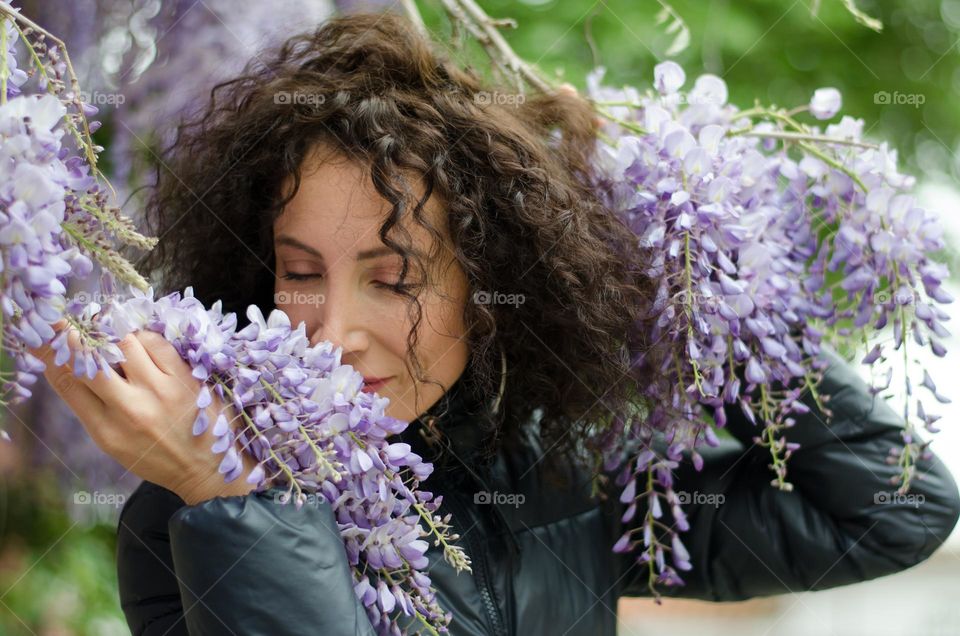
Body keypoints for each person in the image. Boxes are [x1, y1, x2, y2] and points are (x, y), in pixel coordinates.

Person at [33, 12, 960, 636]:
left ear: (499, 285)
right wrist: (232, 495)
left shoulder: (563, 474)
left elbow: (892, 506)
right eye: (299, 273)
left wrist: (707, 279)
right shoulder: (185, 516)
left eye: (395, 280)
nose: (330, 332)